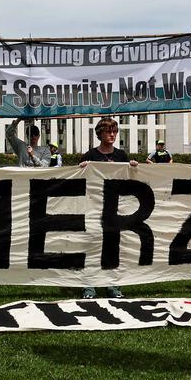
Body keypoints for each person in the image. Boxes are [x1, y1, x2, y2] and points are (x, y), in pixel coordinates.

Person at [79, 117, 133, 299]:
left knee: (113, 248)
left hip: (114, 210)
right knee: (92, 246)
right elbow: (79, 182)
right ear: (99, 133)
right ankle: (89, 285)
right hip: (94, 208)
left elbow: (129, 182)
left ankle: (112, 285)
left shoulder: (121, 156)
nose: (112, 134)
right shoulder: (90, 156)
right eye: (108, 131)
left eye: (114, 131)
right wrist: (82, 169)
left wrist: (132, 168)